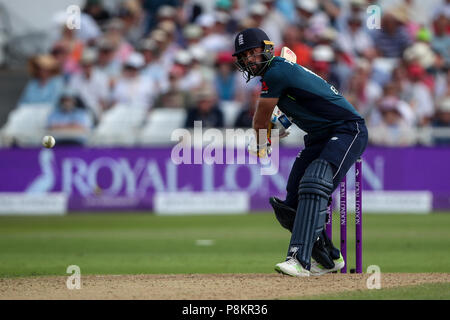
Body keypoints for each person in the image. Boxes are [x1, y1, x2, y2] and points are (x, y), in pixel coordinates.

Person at [233, 28, 368, 277]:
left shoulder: (277, 71)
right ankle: (329, 258)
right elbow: (285, 115)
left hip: (348, 129)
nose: (250, 59)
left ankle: (298, 260)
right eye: (244, 56)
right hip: (319, 137)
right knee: (290, 207)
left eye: (253, 53)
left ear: (266, 48)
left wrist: (262, 142)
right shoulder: (278, 75)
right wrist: (275, 126)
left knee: (314, 182)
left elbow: (260, 119)